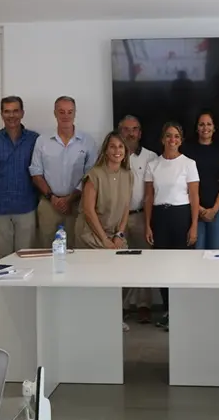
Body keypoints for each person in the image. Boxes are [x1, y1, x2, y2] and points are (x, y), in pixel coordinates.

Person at [144, 122, 200, 331]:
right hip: (160, 217)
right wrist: (148, 225)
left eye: (176, 136)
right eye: (168, 136)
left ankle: (183, 310)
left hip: (181, 215)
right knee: (162, 266)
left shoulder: (189, 164)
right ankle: (168, 310)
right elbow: (149, 197)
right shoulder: (153, 165)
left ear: (181, 140)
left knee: (182, 265)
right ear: (162, 139)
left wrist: (194, 225)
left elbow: (194, 197)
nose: (172, 140)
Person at [77, 131, 134, 332]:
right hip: (92, 234)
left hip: (115, 235)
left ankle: (113, 315)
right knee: (99, 278)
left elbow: (126, 207)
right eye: (113, 147)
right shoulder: (95, 175)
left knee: (127, 273)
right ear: (106, 150)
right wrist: (104, 240)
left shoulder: (128, 175)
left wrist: (119, 235)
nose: (117, 151)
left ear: (126, 151)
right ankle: (98, 320)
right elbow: (88, 210)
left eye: (121, 147)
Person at [29, 96, 97, 248]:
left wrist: (70, 198)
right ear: (55, 113)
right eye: (61, 112)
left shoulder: (87, 141)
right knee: (47, 251)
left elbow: (91, 176)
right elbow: (36, 173)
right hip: (49, 204)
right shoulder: (42, 141)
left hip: (77, 204)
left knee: (76, 250)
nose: (66, 116)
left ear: (75, 113)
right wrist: (52, 198)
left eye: (69, 112)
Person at [0, 96, 40, 257]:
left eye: (15, 111)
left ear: (22, 113)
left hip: (26, 208)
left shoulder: (35, 139)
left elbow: (40, 174)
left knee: (26, 259)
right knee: (4, 261)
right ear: (2, 114)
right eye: (7, 111)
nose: (11, 115)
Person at [119, 115, 157, 323]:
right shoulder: (113, 154)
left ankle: (144, 306)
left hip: (142, 216)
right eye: (126, 129)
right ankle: (119, 305)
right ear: (120, 131)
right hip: (117, 220)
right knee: (119, 262)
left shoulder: (151, 157)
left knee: (145, 262)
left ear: (140, 133)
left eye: (135, 129)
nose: (130, 133)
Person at [182, 111, 219, 250]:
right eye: (202, 124)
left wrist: (214, 210)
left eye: (209, 124)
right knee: (197, 251)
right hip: (195, 209)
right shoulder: (187, 151)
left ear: (214, 128)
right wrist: (199, 209)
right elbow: (183, 183)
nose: (205, 128)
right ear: (197, 128)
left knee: (216, 251)